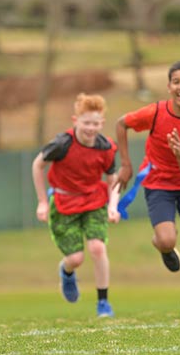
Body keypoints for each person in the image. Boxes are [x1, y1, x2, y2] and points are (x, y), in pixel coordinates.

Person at [115, 61, 180, 320]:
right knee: (167, 239)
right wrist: (125, 164)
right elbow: (121, 124)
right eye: (177, 82)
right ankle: (164, 246)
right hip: (158, 183)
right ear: (169, 86)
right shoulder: (156, 112)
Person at [32, 93, 120, 317]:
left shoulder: (106, 147)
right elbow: (37, 165)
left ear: (102, 123)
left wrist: (113, 206)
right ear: (76, 121)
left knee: (98, 248)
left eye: (95, 123)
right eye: (86, 123)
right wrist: (42, 202)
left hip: (93, 201)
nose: (91, 128)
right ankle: (67, 271)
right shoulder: (62, 143)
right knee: (76, 259)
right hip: (64, 203)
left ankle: (103, 303)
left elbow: (113, 181)